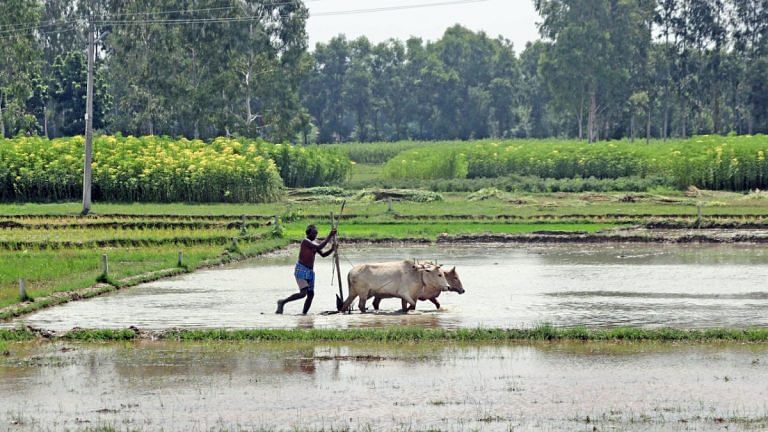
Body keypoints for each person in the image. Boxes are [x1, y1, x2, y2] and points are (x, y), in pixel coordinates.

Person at [276, 224, 337, 315]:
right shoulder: (306, 241)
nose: (315, 235)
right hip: (301, 269)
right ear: (308, 233)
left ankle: (304, 314)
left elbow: (323, 255)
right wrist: (330, 236)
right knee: (303, 293)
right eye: (314, 233)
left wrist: (333, 249)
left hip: (310, 272)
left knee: (311, 294)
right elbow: (318, 247)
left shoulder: (314, 242)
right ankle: (282, 302)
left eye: (316, 233)